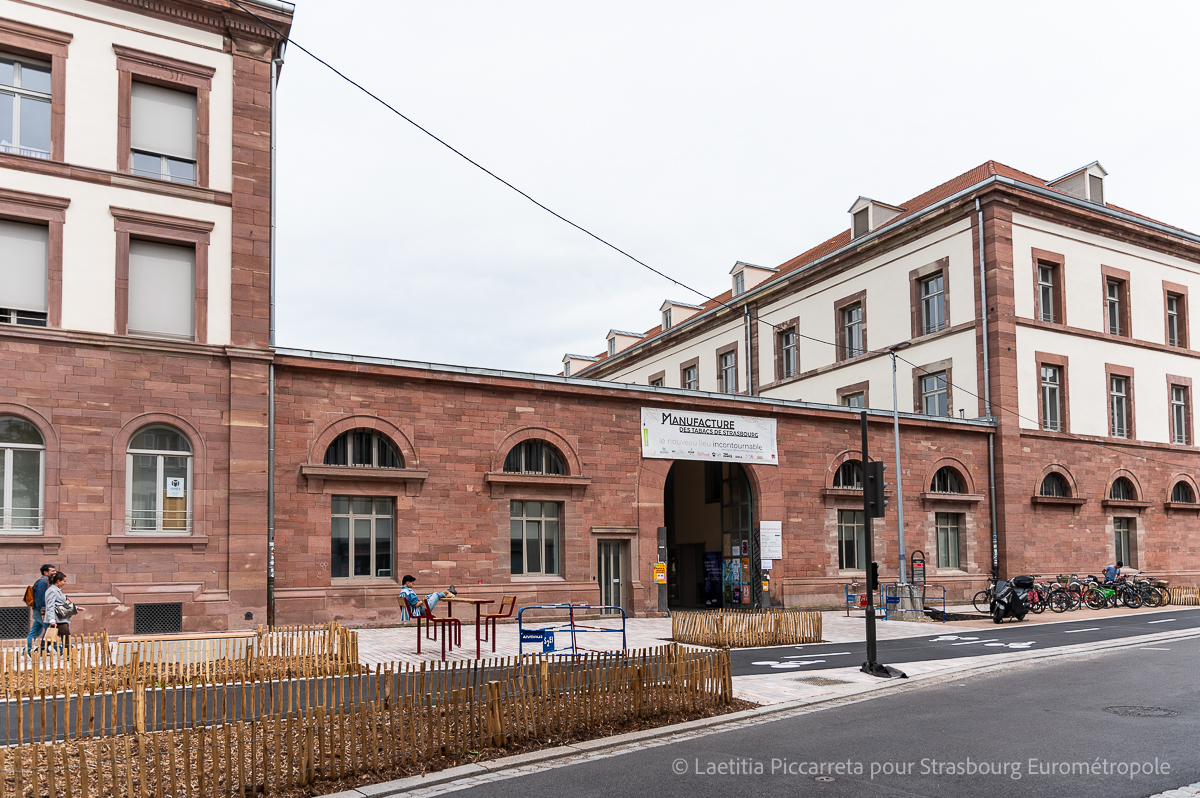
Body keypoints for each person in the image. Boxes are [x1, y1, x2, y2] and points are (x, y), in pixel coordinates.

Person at [42, 571, 84, 651]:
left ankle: (38, 651)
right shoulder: (52, 590)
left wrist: (76, 608)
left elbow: (63, 603)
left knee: (52, 637)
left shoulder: (57, 590)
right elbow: (50, 605)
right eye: (64, 581)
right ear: (58, 581)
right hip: (57, 618)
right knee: (65, 635)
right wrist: (52, 619)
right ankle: (68, 653)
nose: (65, 583)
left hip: (60, 617)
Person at [25, 563, 56, 654]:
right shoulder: (42, 582)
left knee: (35, 632)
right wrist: (43, 612)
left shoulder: (47, 582)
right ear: (45, 572)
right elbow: (40, 598)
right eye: (52, 571)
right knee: (50, 631)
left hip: (41, 611)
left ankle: (29, 651)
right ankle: (63, 650)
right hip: (41, 611)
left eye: (55, 570)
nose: (55, 572)